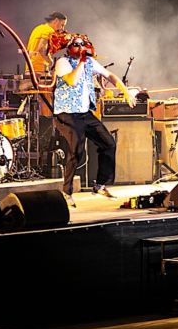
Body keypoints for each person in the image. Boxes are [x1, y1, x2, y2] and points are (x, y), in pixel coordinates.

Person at [53, 35, 135, 207]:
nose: (80, 47)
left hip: (84, 113)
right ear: (69, 48)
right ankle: (66, 192)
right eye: (76, 45)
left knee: (108, 143)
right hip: (66, 114)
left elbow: (109, 74)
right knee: (77, 149)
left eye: (82, 44)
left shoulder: (89, 61)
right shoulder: (63, 62)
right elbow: (72, 80)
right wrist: (82, 62)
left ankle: (100, 185)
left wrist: (125, 90)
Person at [25, 12, 68, 165]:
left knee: (37, 110)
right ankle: (45, 145)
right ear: (55, 21)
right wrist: (51, 62)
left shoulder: (38, 28)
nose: (61, 28)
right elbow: (42, 49)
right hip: (39, 73)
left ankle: (39, 142)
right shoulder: (48, 31)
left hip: (30, 71)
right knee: (47, 110)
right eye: (62, 25)